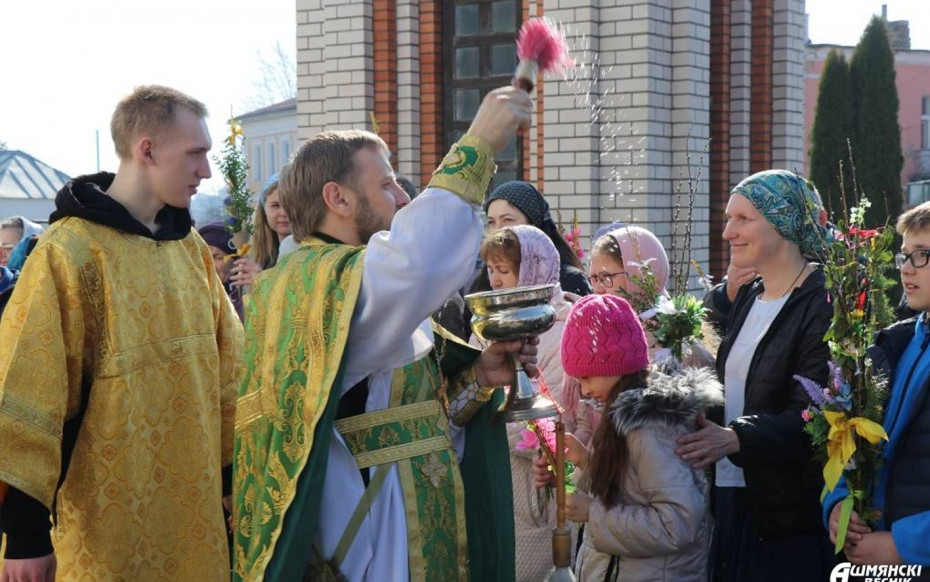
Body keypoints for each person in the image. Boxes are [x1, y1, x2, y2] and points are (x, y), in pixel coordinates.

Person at [233, 87, 535, 582]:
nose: (403, 199)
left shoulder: (340, 282)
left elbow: (407, 416)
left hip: (406, 512)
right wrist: (480, 140)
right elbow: (422, 259)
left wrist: (479, 375)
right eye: (388, 186)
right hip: (377, 535)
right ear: (339, 198)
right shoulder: (326, 283)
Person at [0, 85, 243, 582]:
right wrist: (25, 537)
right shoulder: (69, 252)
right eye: (195, 153)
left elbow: (228, 376)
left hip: (196, 526)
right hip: (104, 532)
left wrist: (231, 480)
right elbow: (27, 393)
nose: (207, 172)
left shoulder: (191, 250)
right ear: (147, 150)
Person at [676, 169, 836, 581]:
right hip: (731, 494)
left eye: (743, 219)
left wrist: (735, 437)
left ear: (782, 223)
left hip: (786, 514)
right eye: (729, 219)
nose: (728, 232)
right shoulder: (749, 294)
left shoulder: (821, 301)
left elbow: (815, 415)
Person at [536, 293, 721, 582]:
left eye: (587, 377)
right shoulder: (622, 413)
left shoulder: (650, 426)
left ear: (614, 366)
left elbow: (678, 524)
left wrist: (592, 515)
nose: (583, 391)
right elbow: (630, 489)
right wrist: (585, 459)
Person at [823, 201, 930, 566]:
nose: (906, 270)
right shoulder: (893, 344)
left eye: (923, 256)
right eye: (905, 256)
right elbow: (850, 440)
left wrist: (905, 545)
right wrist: (838, 503)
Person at [473, 224, 575, 582]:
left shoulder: (561, 330)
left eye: (505, 271)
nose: (496, 281)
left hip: (536, 484)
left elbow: (557, 416)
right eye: (492, 270)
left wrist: (492, 417)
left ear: (534, 270)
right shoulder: (485, 327)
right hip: (493, 474)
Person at [480, 181, 592, 296]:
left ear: (533, 225)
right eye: (491, 222)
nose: (498, 229)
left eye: (508, 220)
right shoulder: (487, 280)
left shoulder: (570, 281)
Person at [229, 173, 291, 288]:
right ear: (264, 210)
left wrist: (264, 281)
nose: (283, 213)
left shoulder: (309, 250)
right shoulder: (258, 254)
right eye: (275, 205)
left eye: (289, 205)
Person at [198, 220, 244, 320]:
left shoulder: (246, 298)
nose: (210, 265)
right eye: (204, 257)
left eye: (217, 257)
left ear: (235, 262)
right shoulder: (192, 298)